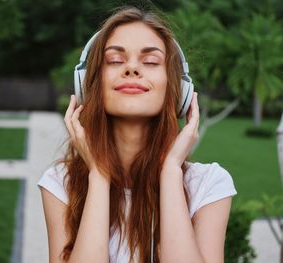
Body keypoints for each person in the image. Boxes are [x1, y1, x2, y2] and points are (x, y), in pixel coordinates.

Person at [38, 6, 237, 263]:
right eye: (115, 60)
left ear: (179, 90)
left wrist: (171, 171)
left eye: (151, 61)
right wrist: (99, 174)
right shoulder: (59, 184)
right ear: (90, 84)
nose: (132, 68)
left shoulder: (209, 185)